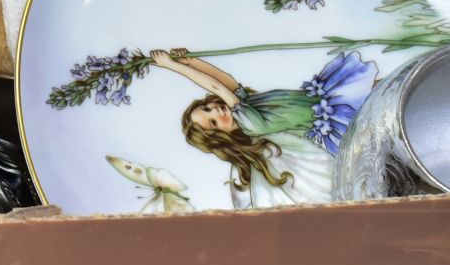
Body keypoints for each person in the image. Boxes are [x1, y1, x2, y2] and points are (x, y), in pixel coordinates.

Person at [148, 46, 375, 208]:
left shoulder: (246, 104)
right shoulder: (249, 122)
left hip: (326, 96)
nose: (215, 111)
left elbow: (227, 81)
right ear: (222, 136)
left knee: (379, 90)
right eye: (214, 123)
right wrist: (171, 66)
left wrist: (192, 62)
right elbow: (218, 87)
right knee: (377, 103)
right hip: (333, 116)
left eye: (207, 109)